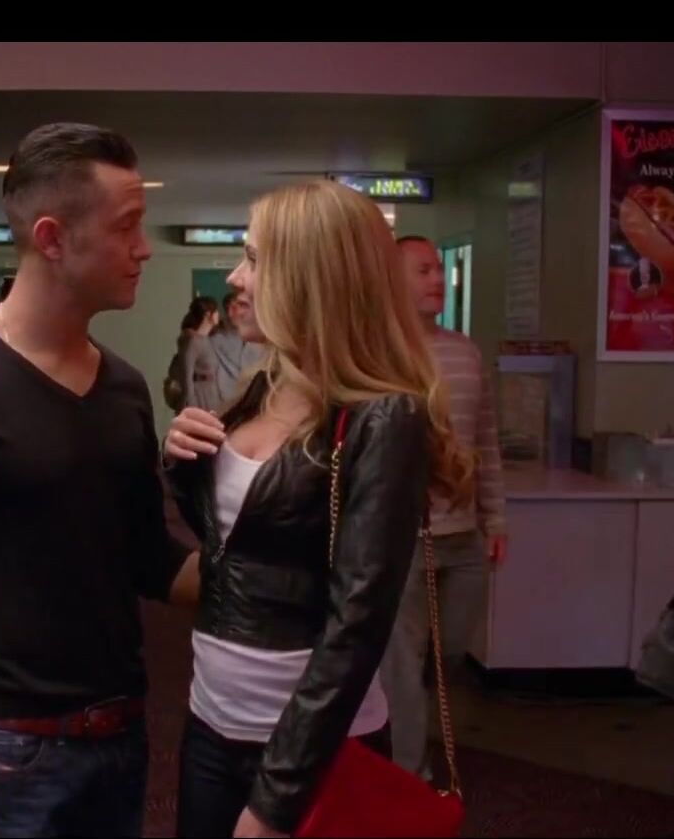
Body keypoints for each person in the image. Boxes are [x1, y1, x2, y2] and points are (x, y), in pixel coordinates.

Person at [0, 122, 199, 839]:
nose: (144, 248)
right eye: (126, 226)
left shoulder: (124, 388)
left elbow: (148, 556)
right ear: (52, 238)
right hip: (9, 753)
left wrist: (277, 576)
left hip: (122, 736)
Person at [160, 180, 475, 838]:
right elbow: (233, 548)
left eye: (253, 258)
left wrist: (275, 801)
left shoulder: (384, 417)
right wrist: (183, 462)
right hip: (213, 722)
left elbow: (357, 623)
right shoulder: (261, 387)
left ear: (311, 278)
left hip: (313, 754)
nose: (235, 277)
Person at [377, 234, 507, 779]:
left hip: (464, 535)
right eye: (424, 271)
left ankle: (401, 731)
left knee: (447, 651)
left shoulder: (465, 352)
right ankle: (411, 773)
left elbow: (486, 440)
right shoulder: (378, 353)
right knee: (403, 660)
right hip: (404, 536)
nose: (438, 280)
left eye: (438, 270)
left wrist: (495, 517)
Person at [196, 287, 265, 412]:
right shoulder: (215, 338)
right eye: (229, 308)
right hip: (224, 401)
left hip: (257, 401)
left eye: (238, 307)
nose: (233, 312)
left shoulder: (263, 338)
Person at [164, 296, 219, 411]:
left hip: (209, 393)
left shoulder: (207, 340)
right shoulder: (193, 341)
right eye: (215, 311)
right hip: (199, 395)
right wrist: (190, 402)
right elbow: (187, 373)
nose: (218, 315)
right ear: (208, 314)